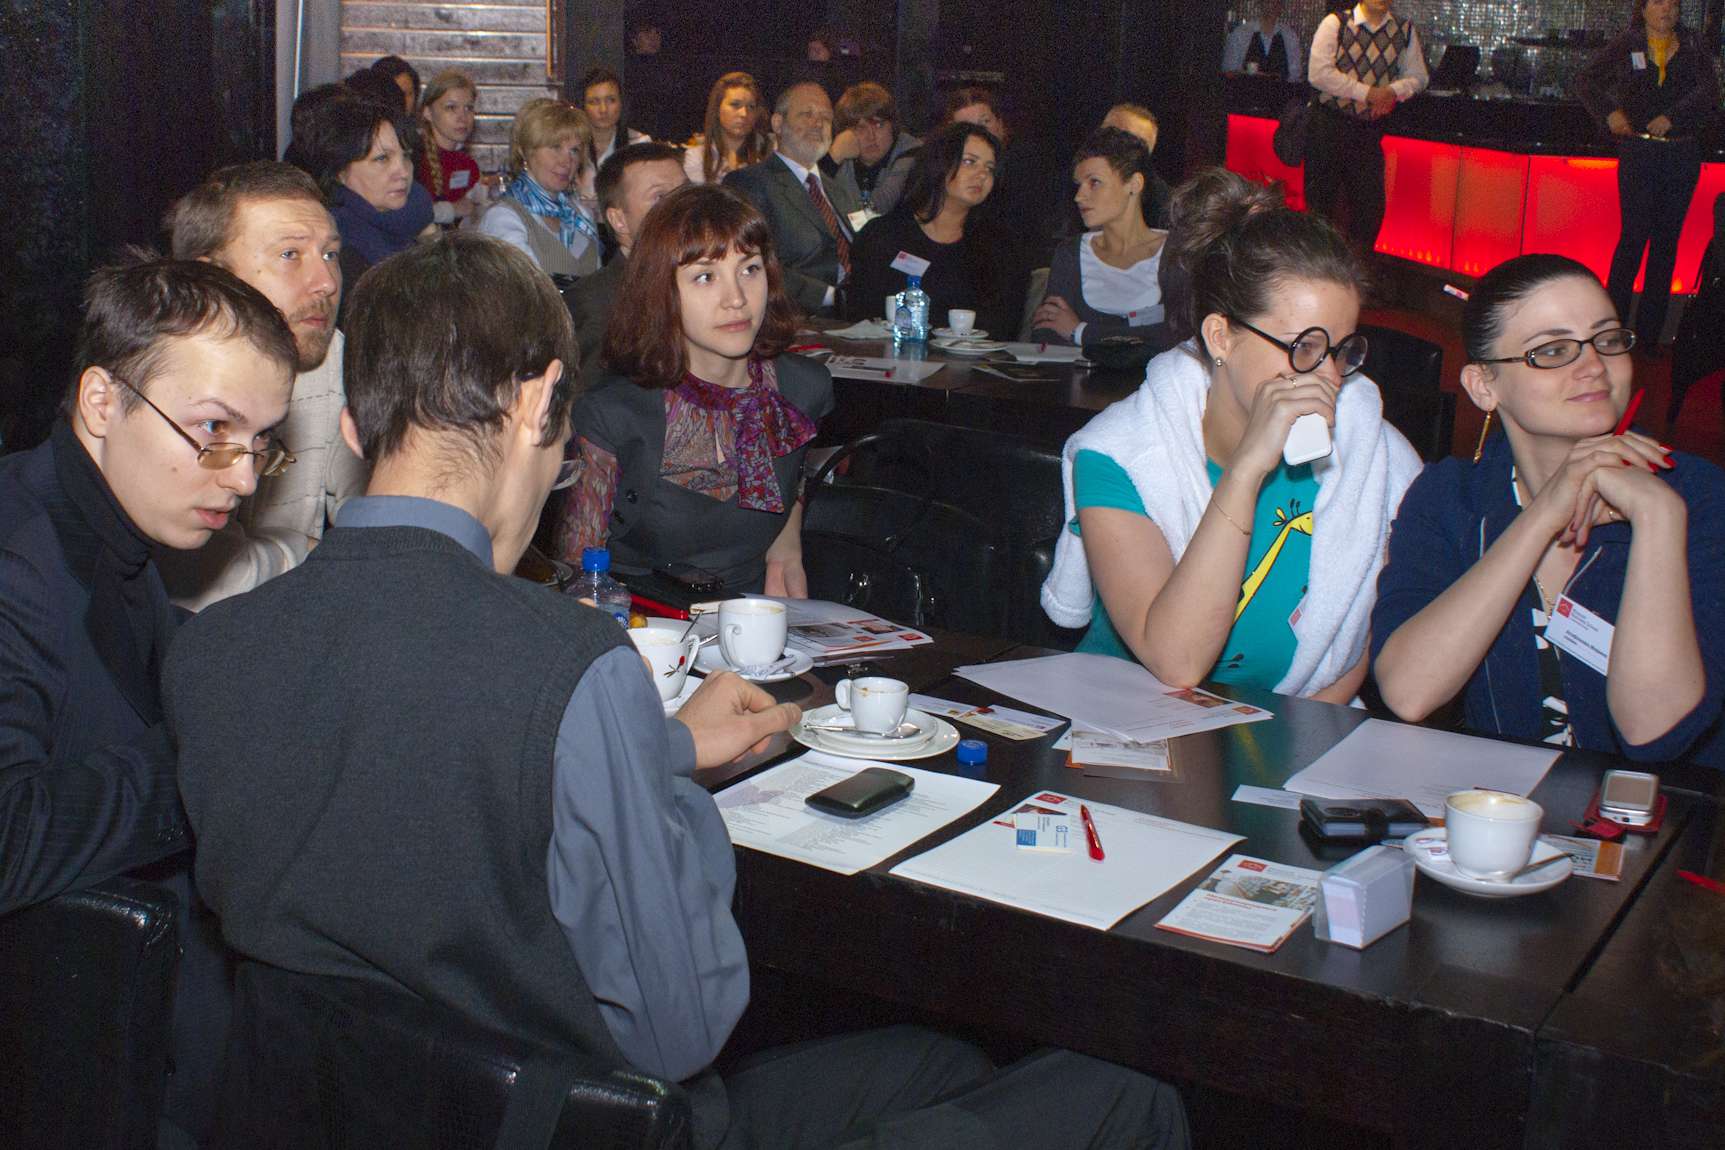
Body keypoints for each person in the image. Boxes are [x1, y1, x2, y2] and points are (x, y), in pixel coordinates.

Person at [165, 229, 1191, 1150]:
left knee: (939, 1063)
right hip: (578, 1118)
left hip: (356, 1112)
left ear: (354, 427)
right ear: (537, 405)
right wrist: (670, 803)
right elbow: (680, 1027)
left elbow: (411, 776)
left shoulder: (212, 651)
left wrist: (652, 747)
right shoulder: (566, 664)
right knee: (1126, 1096)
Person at [1, 254, 298, 1139]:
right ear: (102, 403)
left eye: (261, 442)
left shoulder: (114, 532)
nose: (242, 477)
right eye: (213, 429)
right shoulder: (17, 560)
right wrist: (207, 757)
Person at [1042, 174, 1421, 701]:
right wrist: (1245, 471)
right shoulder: (1122, 453)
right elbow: (1177, 661)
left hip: (1287, 727)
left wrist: (1289, 743)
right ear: (1221, 336)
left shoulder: (1375, 456)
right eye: (1304, 348)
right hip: (1121, 719)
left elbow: (1349, 653)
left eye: (1341, 351)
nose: (1329, 378)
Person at [1373, 254, 1725, 768]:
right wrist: (1542, 517)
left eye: (1607, 340)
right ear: (1484, 386)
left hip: (1666, 809)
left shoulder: (1695, 496)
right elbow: (1409, 692)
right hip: (1502, 805)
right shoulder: (1450, 498)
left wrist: (1658, 521)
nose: (1594, 366)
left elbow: (1654, 733)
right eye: (1554, 350)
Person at [559, 184, 831, 595]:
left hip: (755, 613)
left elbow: (793, 476)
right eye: (705, 276)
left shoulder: (802, 389)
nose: (736, 298)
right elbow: (576, 576)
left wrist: (786, 542)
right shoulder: (614, 414)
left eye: (749, 269)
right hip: (642, 618)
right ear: (661, 291)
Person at [156, 161, 368, 609]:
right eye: (290, 254)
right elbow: (203, 584)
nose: (326, 282)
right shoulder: (160, 383)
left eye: (330, 254)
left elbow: (365, 512)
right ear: (210, 278)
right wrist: (314, 555)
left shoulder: (328, 354)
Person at [1574, 0, 1718, 353]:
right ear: (1643, 9)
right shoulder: (1628, 43)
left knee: (1666, 245)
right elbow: (1585, 80)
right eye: (1658, 2)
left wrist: (1674, 117)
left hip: (1681, 154)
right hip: (1639, 153)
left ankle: (1649, 338)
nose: (1667, 9)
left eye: (1673, 3)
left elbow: (1710, 93)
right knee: (1633, 240)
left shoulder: (1694, 45)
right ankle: (1613, 330)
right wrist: (1609, 113)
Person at [843, 123, 1014, 337]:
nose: (982, 175)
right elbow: (861, 313)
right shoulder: (883, 235)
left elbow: (1002, 327)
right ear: (939, 163)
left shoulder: (997, 247)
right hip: (889, 352)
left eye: (990, 168)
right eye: (970, 162)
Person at [725, 81, 861, 314]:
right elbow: (753, 263)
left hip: (858, 313)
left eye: (826, 118)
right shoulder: (750, 183)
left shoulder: (839, 191)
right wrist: (831, 297)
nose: (818, 124)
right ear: (778, 123)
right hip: (797, 316)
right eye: (807, 114)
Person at [292, 94, 435, 315]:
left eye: (406, 156)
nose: (403, 172)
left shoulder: (412, 219)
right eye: (382, 159)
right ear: (340, 171)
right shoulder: (338, 246)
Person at [1305, 0, 1429, 251]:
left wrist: (1391, 91)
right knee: (1320, 207)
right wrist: (1369, 94)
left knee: (1369, 211)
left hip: (1368, 132)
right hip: (1328, 125)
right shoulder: (1336, 23)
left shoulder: (1403, 30)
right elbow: (1318, 74)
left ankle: (1358, 267)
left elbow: (1419, 77)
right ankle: (1315, 262)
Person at [1034, 126, 1172, 349]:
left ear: (1134, 184)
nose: (1079, 196)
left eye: (1094, 182)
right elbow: (1048, 334)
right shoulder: (1071, 253)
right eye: (1079, 185)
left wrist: (1080, 331)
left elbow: (1175, 338)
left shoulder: (1177, 253)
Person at [568, 141, 689, 390]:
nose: (683, 207)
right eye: (659, 197)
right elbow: (588, 403)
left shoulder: (709, 284)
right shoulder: (595, 304)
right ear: (619, 220)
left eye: (685, 192)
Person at [479, 97, 602, 278]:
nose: (566, 161)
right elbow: (524, 288)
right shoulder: (503, 218)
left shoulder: (581, 216)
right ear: (525, 151)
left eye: (574, 150)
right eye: (555, 147)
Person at [825, 80, 920, 219]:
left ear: (893, 126)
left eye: (878, 125)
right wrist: (833, 157)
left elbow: (879, 207)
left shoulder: (912, 152)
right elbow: (809, 200)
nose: (871, 136)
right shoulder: (840, 154)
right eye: (860, 128)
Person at [575, 66, 651, 223]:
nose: (603, 109)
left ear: (621, 103)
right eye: (594, 102)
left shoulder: (639, 144)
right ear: (582, 106)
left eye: (611, 100)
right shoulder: (571, 146)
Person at [414, 68, 491, 226]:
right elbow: (403, 215)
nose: (462, 117)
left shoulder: (468, 165)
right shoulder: (413, 160)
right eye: (451, 107)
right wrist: (451, 210)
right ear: (428, 113)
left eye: (468, 108)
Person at [686, 71, 771, 186]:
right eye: (735, 105)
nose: (744, 113)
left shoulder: (770, 154)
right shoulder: (697, 158)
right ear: (717, 109)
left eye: (751, 107)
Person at [1223, 1, 1304, 82]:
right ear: (1260, 3)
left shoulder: (1289, 36)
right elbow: (1229, 71)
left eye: (1277, 2)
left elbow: (1294, 76)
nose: (1272, 5)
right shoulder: (1241, 34)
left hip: (1280, 89)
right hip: (1246, 88)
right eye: (1268, 2)